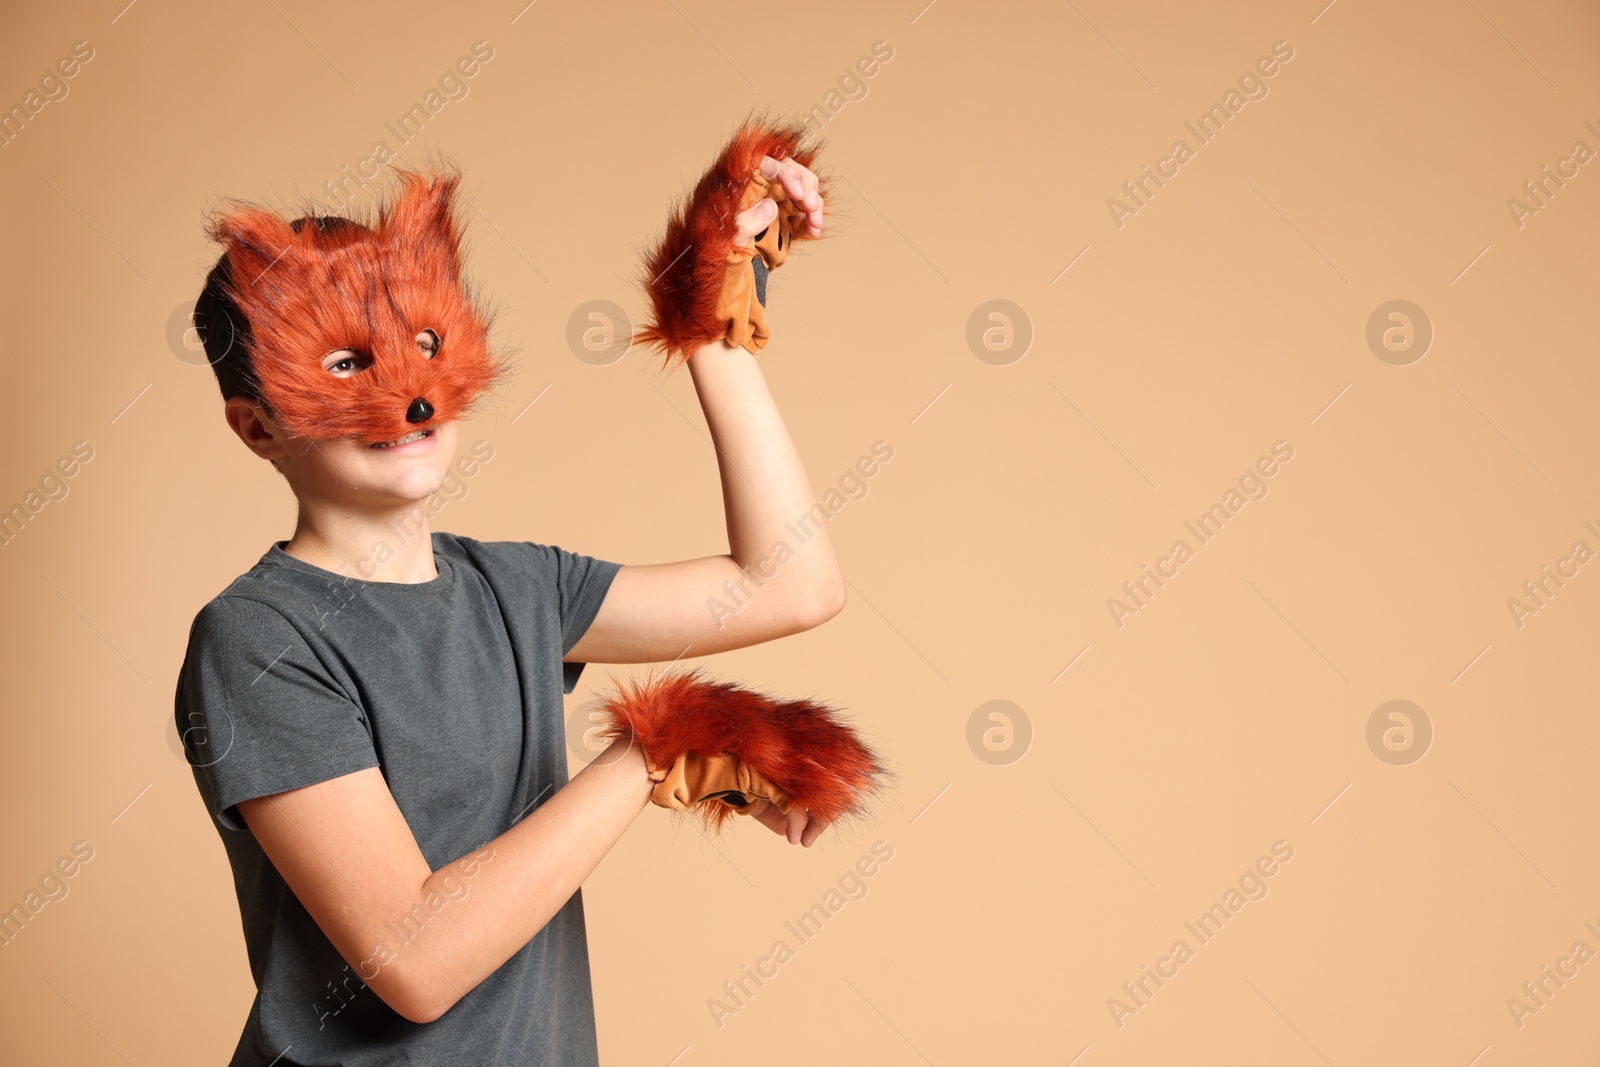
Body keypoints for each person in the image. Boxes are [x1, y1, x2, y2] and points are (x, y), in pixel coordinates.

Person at [175, 148, 837, 1065]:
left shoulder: (519, 590)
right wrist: (660, 744)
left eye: (425, 346)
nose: (407, 394)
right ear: (258, 427)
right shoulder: (259, 639)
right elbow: (416, 960)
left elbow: (793, 582)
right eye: (343, 363)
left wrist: (708, 324)